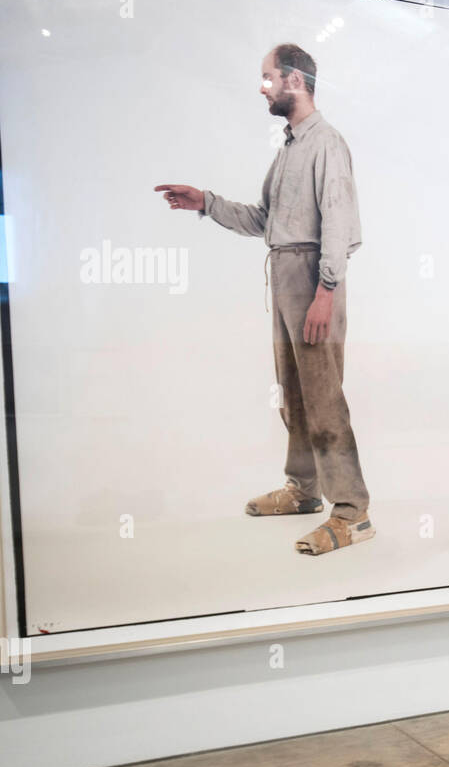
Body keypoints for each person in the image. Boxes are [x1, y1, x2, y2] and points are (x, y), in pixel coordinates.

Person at [154, 43, 373, 556]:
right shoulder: (289, 149)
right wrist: (205, 202)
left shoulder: (327, 144)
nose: (263, 87)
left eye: (270, 77)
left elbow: (339, 225)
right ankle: (303, 490)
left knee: (323, 397)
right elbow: (263, 221)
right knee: (293, 394)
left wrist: (326, 292)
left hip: (314, 279)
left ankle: (352, 512)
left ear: (295, 80)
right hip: (284, 274)